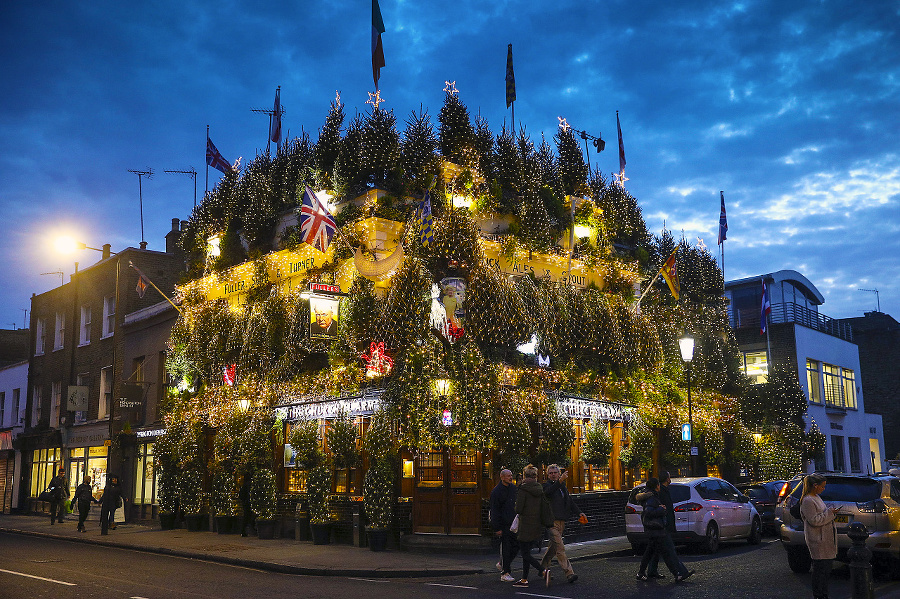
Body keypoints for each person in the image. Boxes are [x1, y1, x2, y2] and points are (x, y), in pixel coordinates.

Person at [636, 477, 694, 583]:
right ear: (656, 486)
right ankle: (678, 574)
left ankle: (641, 573)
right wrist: (661, 509)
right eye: (658, 485)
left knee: (650, 553)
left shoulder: (651, 496)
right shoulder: (652, 497)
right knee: (667, 552)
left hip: (654, 530)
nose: (659, 487)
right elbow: (648, 511)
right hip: (656, 529)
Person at [540, 464, 586, 583]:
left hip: (561, 521)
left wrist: (579, 513)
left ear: (559, 473)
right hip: (551, 522)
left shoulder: (562, 487)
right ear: (547, 474)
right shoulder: (546, 486)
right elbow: (548, 493)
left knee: (553, 548)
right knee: (560, 547)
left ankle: (542, 568)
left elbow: (569, 502)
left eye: (555, 472)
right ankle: (569, 573)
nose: (553, 474)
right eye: (550, 473)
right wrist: (560, 481)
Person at [800, 473, 837, 599]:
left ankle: (823, 594)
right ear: (815, 486)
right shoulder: (808, 500)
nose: (823, 489)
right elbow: (814, 520)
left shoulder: (816, 497)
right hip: (817, 539)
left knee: (826, 570)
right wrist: (830, 513)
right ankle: (819, 595)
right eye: (822, 486)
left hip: (825, 538)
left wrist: (830, 512)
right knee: (820, 570)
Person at [513, 465, 551, 589]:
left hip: (525, 526)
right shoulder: (540, 488)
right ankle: (524, 579)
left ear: (524, 476)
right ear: (535, 476)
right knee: (526, 553)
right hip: (536, 525)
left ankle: (542, 570)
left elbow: (518, 509)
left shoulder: (523, 490)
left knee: (525, 554)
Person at [644, 471, 679, 579]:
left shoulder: (662, 491)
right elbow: (652, 510)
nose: (670, 478)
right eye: (669, 477)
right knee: (669, 550)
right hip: (660, 527)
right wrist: (662, 510)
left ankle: (649, 571)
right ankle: (678, 572)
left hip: (659, 527)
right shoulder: (659, 494)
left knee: (653, 550)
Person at [489, 468, 519, 582]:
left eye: (511, 475)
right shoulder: (496, 492)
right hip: (504, 524)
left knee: (516, 546)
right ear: (502, 477)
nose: (511, 477)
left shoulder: (513, 488)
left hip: (514, 523)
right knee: (506, 548)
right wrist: (497, 527)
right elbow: (494, 510)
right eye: (508, 476)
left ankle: (502, 563)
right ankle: (505, 573)